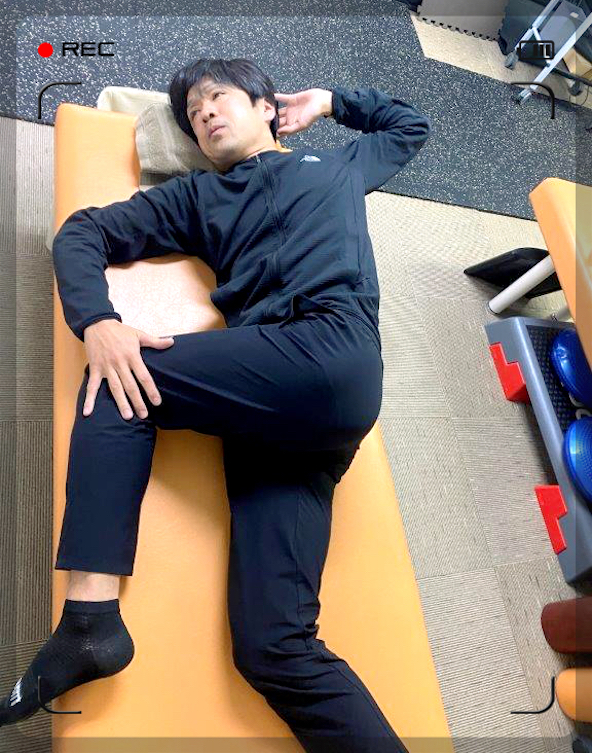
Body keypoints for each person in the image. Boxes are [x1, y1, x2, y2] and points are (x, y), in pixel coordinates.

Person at [0, 58, 431, 751]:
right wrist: (98, 321)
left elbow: (409, 125)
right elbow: (82, 232)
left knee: (119, 385)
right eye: (193, 114)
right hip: (280, 419)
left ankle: (89, 623)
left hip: (331, 351)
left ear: (267, 108)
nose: (203, 114)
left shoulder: (337, 167)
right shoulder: (198, 197)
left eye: (217, 97)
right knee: (273, 647)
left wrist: (328, 100)